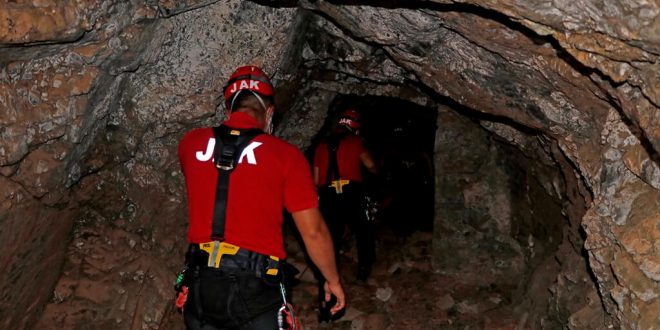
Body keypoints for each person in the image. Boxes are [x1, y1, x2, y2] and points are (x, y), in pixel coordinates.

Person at [177, 65, 345, 329]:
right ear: (269, 113)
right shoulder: (285, 155)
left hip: (201, 283)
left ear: (229, 109)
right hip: (254, 287)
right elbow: (313, 232)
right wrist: (332, 279)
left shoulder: (190, 143)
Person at [311, 107, 377, 321]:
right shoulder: (356, 143)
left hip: (329, 195)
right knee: (364, 230)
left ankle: (327, 293)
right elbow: (370, 165)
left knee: (330, 240)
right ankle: (363, 271)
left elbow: (315, 179)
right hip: (351, 192)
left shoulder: (321, 146)